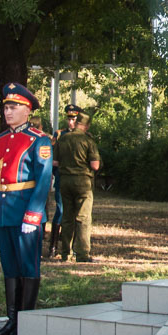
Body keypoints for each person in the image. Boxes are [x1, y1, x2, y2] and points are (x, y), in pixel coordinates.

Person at [0, 83, 52, 335]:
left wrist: (33, 214)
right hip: (2, 211)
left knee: (27, 266)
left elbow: (43, 180)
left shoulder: (38, 141)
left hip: (25, 213)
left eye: (14, 107)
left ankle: (26, 321)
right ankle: (12, 321)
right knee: (9, 266)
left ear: (27, 110)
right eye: (6, 108)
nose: (8, 112)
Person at [54, 112, 101, 263]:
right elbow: (95, 165)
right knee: (83, 218)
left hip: (65, 181)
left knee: (67, 217)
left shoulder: (63, 138)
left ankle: (65, 253)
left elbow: (55, 162)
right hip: (83, 183)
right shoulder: (88, 140)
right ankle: (82, 254)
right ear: (86, 126)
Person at [47, 104, 81, 257]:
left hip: (79, 180)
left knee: (77, 213)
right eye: (69, 118)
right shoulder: (59, 135)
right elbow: (53, 159)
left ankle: (73, 247)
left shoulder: (83, 136)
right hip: (63, 178)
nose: (71, 122)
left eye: (73, 118)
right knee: (61, 210)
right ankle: (53, 246)